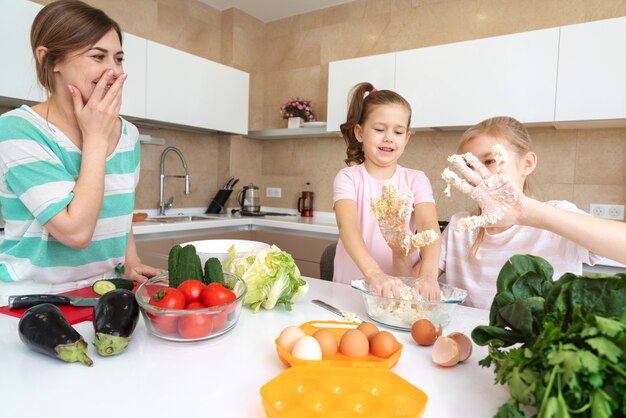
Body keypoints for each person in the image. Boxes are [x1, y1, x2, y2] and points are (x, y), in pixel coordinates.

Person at [0, 0, 164, 304]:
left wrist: (131, 261)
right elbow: (76, 234)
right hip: (31, 299)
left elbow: (119, 210)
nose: (114, 71)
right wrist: (96, 139)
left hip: (104, 292)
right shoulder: (17, 129)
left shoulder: (128, 134)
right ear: (50, 60)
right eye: (98, 56)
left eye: (118, 58)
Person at [439, 116, 620, 310]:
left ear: (527, 163)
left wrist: (526, 212)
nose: (476, 174)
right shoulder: (460, 226)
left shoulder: (555, 218)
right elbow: (416, 284)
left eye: (490, 161)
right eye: (468, 166)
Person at [333, 82, 441, 298]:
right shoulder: (348, 178)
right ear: (360, 132)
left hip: (398, 291)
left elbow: (428, 226)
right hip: (350, 288)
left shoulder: (416, 180)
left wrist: (428, 276)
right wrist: (374, 274)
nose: (389, 138)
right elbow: (348, 226)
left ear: (407, 138)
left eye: (398, 131)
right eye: (380, 129)